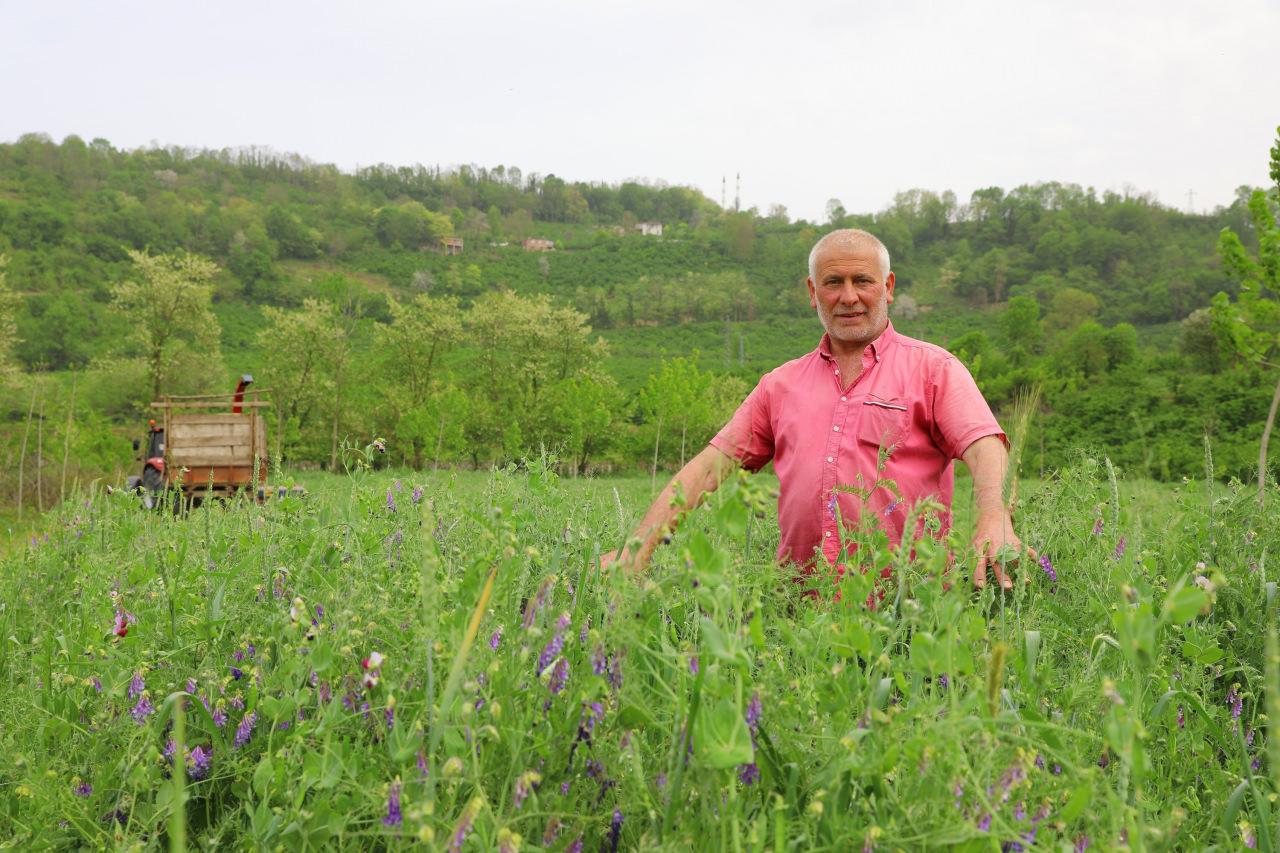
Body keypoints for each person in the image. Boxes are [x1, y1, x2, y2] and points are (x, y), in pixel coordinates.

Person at [602, 228, 1030, 589]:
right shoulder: (779, 385)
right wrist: (636, 550)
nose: (848, 297)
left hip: (909, 610)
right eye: (832, 282)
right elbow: (706, 468)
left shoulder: (934, 369)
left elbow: (985, 444)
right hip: (801, 616)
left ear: (889, 287)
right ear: (812, 292)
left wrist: (993, 518)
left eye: (862, 280)